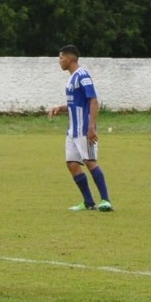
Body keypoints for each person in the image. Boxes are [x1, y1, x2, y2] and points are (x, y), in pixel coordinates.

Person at [47, 44, 113, 212]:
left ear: (69, 59)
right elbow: (75, 103)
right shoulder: (71, 78)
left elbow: (93, 101)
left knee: (90, 162)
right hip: (72, 130)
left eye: (61, 58)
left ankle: (105, 200)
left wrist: (91, 127)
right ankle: (88, 202)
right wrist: (60, 108)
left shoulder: (83, 75)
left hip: (84, 129)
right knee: (72, 163)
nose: (59, 61)